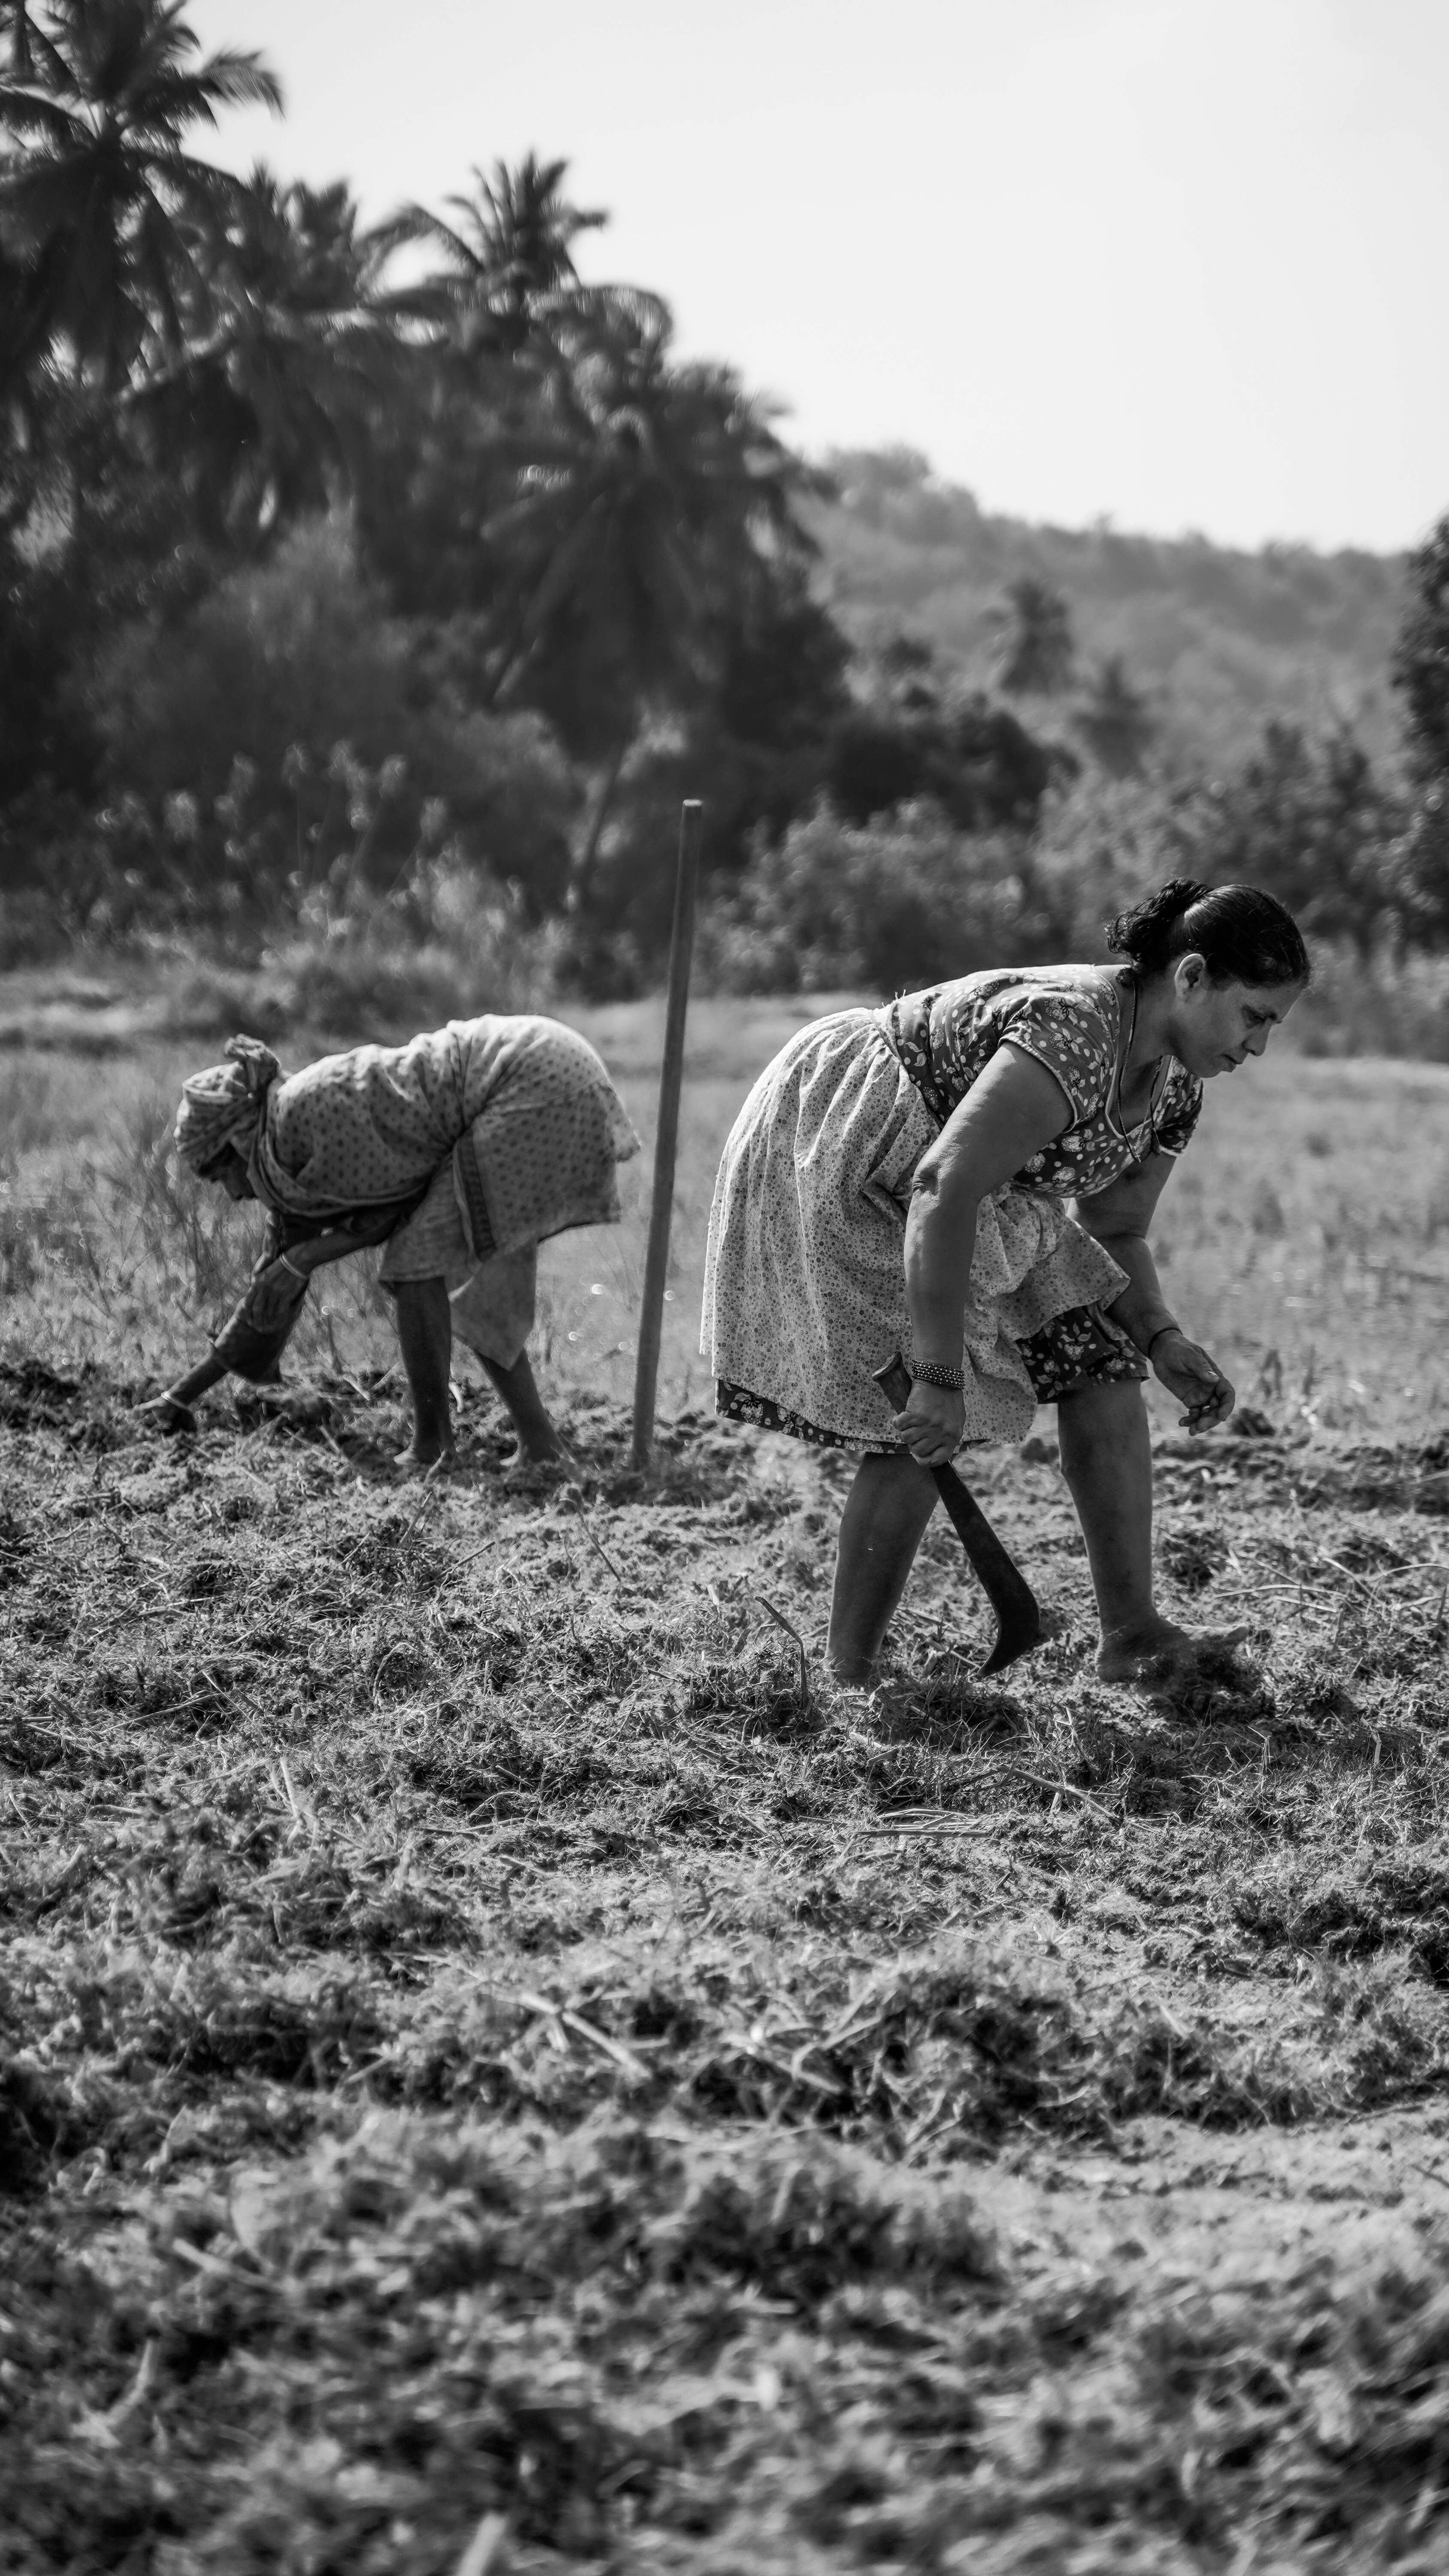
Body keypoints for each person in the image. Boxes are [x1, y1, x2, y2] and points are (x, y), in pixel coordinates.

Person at [702, 879, 1309, 1687]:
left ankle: (1130, 1635)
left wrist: (1161, 1337)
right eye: (1255, 1016)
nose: (1258, 1045)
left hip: (968, 1188)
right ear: (1192, 977)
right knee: (915, 1426)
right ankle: (850, 1677)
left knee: (1103, 1367)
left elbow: (1115, 1230)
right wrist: (937, 1375)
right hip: (860, 1139)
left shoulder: (1175, 1087)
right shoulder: (1075, 1033)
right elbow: (939, 1188)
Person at [146, 1015, 639, 1470]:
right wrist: (181, 1396)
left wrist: (309, 1255)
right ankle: (538, 1446)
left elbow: (396, 1210)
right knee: (450, 1269)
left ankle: (436, 1447)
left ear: (236, 1141)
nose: (233, 1195)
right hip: (536, 1072)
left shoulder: (302, 1114)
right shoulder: (285, 1171)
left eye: (220, 1175)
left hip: (530, 1077)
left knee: (416, 1264)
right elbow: (271, 1290)